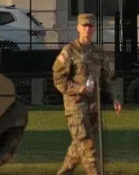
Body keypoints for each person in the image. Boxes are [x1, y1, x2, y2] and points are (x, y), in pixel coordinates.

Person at [52, 13, 122, 175]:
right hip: (75, 107)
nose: (87, 29)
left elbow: (107, 78)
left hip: (93, 107)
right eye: (84, 26)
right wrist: (77, 89)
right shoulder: (69, 51)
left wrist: (115, 99)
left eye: (90, 26)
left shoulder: (98, 52)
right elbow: (58, 78)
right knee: (87, 144)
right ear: (78, 28)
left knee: (78, 148)